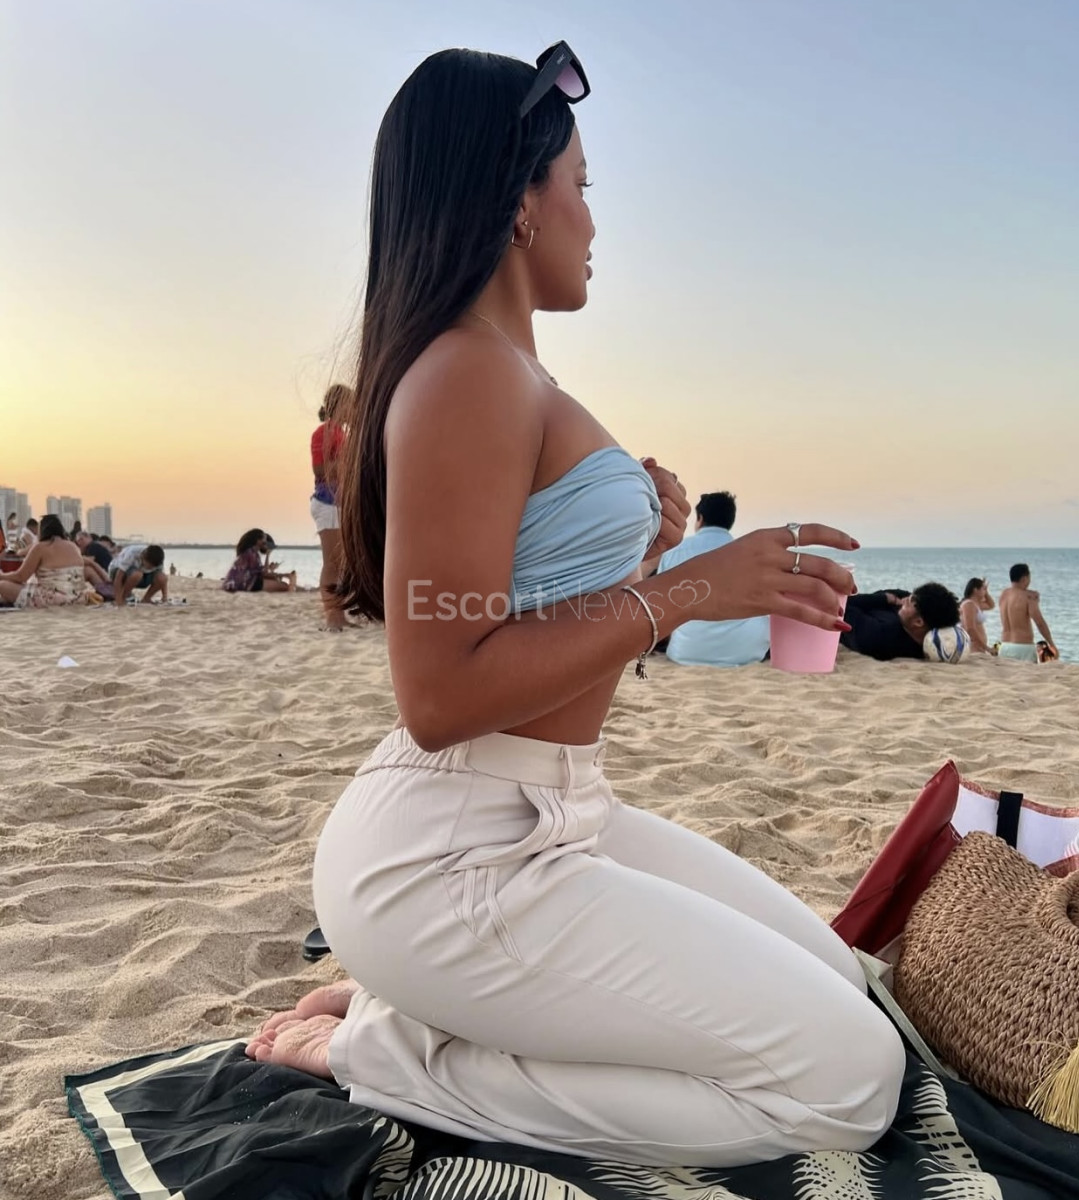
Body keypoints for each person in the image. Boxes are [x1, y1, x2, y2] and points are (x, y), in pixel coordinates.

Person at [244, 44, 904, 1169]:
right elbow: (439, 694)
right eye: (581, 186)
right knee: (852, 1083)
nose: (592, 218)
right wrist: (689, 589)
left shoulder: (507, 373)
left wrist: (640, 555)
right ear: (519, 199)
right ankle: (384, 1049)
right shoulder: (465, 372)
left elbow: (531, 617)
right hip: (453, 856)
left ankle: (433, 1008)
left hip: (555, 811)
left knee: (847, 985)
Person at [652, 492, 770, 666]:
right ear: (730, 520)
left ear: (700, 518)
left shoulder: (675, 551)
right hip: (746, 653)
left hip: (686, 652)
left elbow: (661, 606)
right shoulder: (752, 555)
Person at [310, 384, 354, 630]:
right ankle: (332, 616)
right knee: (332, 562)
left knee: (342, 563)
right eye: (351, 404)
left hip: (337, 504)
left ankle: (339, 613)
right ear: (340, 405)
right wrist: (347, 463)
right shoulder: (324, 432)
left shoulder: (341, 434)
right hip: (327, 502)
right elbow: (320, 469)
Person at [840, 583, 960, 661]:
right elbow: (901, 594)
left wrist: (883, 599)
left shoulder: (878, 635)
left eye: (911, 600)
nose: (906, 599)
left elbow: (842, 604)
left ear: (918, 622)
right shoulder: (915, 626)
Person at [0, 515, 94, 607]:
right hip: (78, 598)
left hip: (54, 599)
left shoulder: (40, 547)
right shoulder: (73, 546)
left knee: (3, 585)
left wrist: (2, 576)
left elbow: (21, 576)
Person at [998, 563, 1058, 663]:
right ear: (1024, 578)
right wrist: (1051, 644)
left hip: (1004, 646)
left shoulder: (1004, 594)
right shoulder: (1029, 596)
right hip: (1023, 646)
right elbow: (1039, 622)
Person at [223, 529, 297, 593]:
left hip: (241, 583)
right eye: (264, 539)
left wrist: (273, 570)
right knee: (284, 586)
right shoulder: (251, 554)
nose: (266, 542)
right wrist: (285, 575)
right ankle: (291, 589)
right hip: (244, 584)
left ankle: (293, 586)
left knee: (279, 581)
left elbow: (260, 572)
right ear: (258, 540)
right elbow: (264, 574)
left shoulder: (252, 553)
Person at [958, 577, 994, 655]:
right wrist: (987, 648)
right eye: (983, 589)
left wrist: (986, 592)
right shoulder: (969, 604)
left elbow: (991, 605)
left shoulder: (976, 604)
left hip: (978, 647)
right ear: (975, 590)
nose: (985, 591)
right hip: (972, 646)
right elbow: (970, 629)